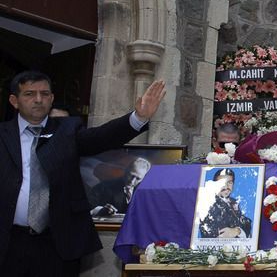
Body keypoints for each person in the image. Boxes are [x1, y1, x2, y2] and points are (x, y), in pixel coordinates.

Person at [0, 70, 165, 277]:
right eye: (30, 94)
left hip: (57, 243)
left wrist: (138, 117)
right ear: (14, 101)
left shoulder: (66, 130)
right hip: (9, 242)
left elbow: (102, 137)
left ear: (51, 98)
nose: (38, 100)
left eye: (45, 94)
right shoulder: (3, 135)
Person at [199, 168, 252, 238]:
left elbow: (247, 224)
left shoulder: (234, 202)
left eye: (229, 182)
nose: (226, 187)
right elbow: (210, 234)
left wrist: (237, 231)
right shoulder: (207, 203)